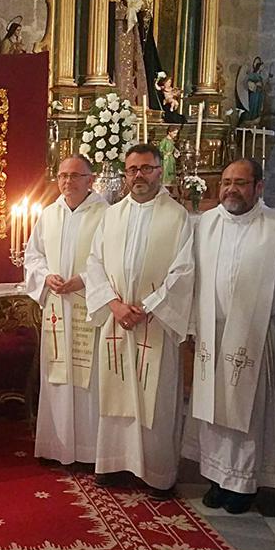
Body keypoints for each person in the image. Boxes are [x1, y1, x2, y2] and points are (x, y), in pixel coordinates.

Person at [183, 158, 275, 514]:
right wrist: (191, 326)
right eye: (227, 181)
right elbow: (193, 277)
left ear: (258, 187)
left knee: (247, 415)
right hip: (212, 333)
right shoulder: (205, 223)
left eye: (241, 183)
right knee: (213, 412)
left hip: (256, 334)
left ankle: (244, 484)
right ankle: (217, 478)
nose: (231, 189)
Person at [84, 143, 194, 498]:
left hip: (155, 322)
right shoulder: (111, 215)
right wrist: (114, 305)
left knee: (155, 399)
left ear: (160, 171)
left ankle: (156, 473)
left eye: (146, 168)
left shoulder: (177, 217)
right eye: (132, 169)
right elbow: (94, 264)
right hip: (118, 320)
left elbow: (184, 270)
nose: (139, 176)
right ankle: (114, 463)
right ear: (125, 173)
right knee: (115, 394)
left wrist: (149, 306)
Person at [24, 156, 108, 465]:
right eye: (62, 176)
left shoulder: (106, 215)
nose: (67, 182)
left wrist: (83, 280)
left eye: (75, 176)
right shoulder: (49, 214)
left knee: (88, 380)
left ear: (91, 179)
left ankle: (87, 450)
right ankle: (56, 446)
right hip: (57, 306)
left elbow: (111, 261)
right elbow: (33, 256)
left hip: (89, 307)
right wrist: (46, 276)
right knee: (57, 376)